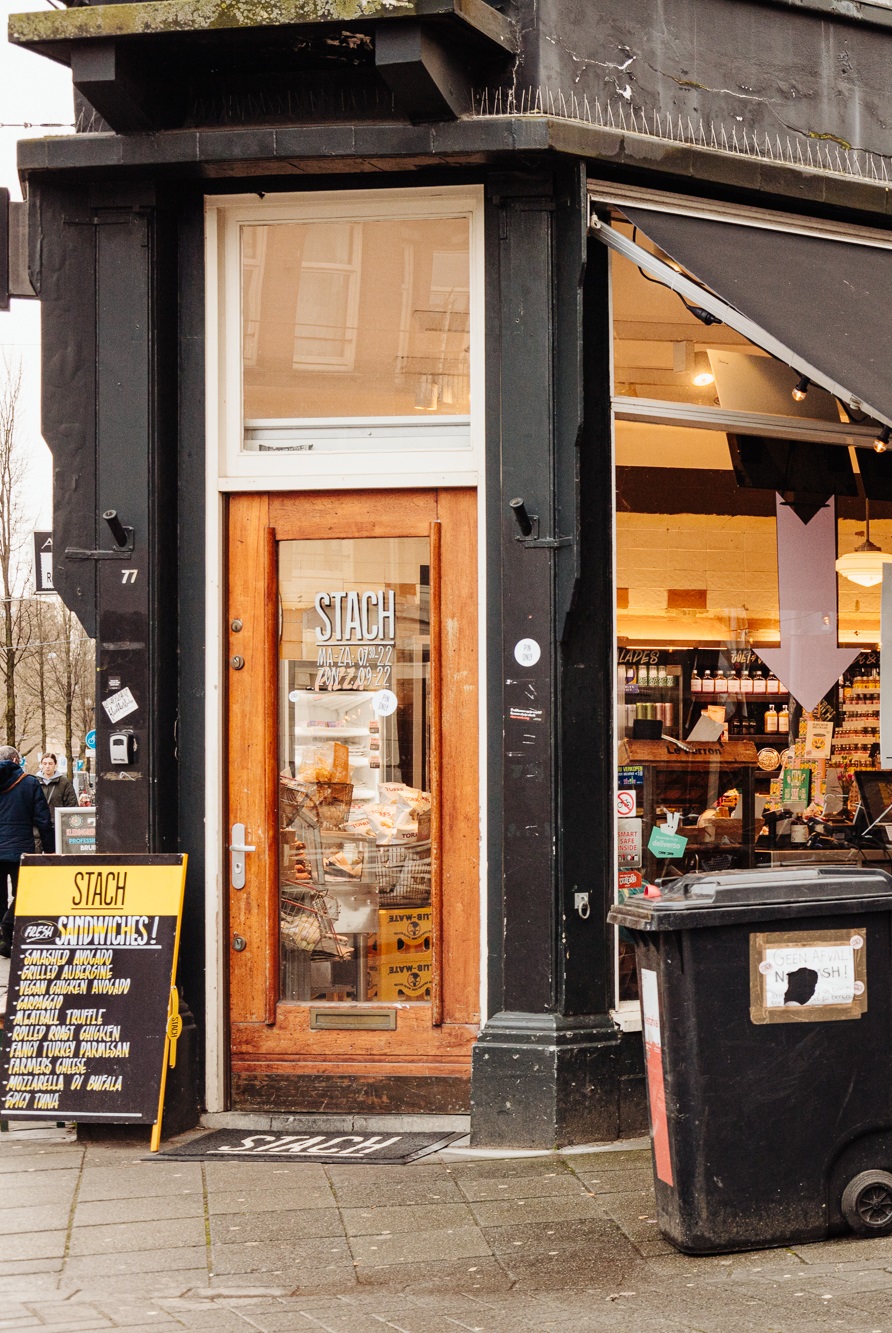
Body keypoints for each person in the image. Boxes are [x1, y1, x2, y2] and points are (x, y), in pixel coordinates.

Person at [0, 746, 54, 958]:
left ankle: (2, 937)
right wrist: (50, 849)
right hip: (20, 849)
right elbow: (43, 820)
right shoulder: (29, 783)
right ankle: (9, 928)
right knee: (22, 892)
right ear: (15, 760)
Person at [37, 752, 78, 837]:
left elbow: (72, 804)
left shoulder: (64, 783)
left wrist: (66, 824)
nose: (47, 766)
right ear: (41, 765)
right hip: (38, 827)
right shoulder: (34, 781)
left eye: (50, 763)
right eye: (45, 763)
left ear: (55, 765)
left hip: (58, 827)